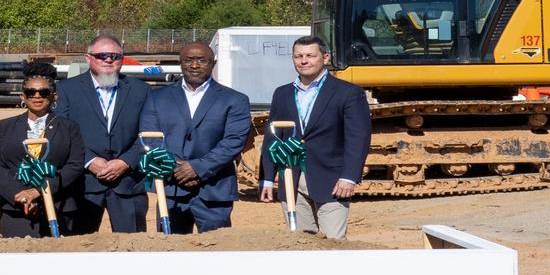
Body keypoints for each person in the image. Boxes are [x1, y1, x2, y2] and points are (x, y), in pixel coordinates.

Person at [260, 35, 371, 240]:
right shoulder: (282, 94)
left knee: (334, 242)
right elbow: (272, 138)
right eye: (298, 56)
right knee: (300, 241)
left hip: (332, 181)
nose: (304, 61)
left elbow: (358, 137)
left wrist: (349, 177)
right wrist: (267, 178)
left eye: (310, 55)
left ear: (325, 58)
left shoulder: (348, 93)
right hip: (291, 178)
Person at [140, 41, 251, 233]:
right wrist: (176, 168)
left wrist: (197, 168)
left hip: (214, 191)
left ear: (212, 63)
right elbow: (150, 138)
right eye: (188, 60)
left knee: (216, 253)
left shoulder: (235, 99)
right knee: (171, 253)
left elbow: (233, 142)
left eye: (202, 60)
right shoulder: (157, 97)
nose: (194, 65)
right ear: (180, 63)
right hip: (171, 189)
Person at [56, 35, 152, 234]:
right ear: (88, 58)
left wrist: (126, 161)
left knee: (132, 250)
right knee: (79, 249)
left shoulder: (141, 91)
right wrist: (89, 160)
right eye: (102, 56)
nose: (109, 60)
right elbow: (61, 133)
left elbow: (149, 133)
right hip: (82, 186)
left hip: (128, 184)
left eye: (115, 56)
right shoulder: (66, 90)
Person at [0, 60, 86, 238]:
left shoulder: (69, 127)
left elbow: (75, 165)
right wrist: (19, 194)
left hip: (58, 205)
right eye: (31, 92)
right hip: (16, 207)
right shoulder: (5, 126)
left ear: (54, 96)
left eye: (43, 92)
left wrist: (38, 192)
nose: (37, 96)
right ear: (23, 97)